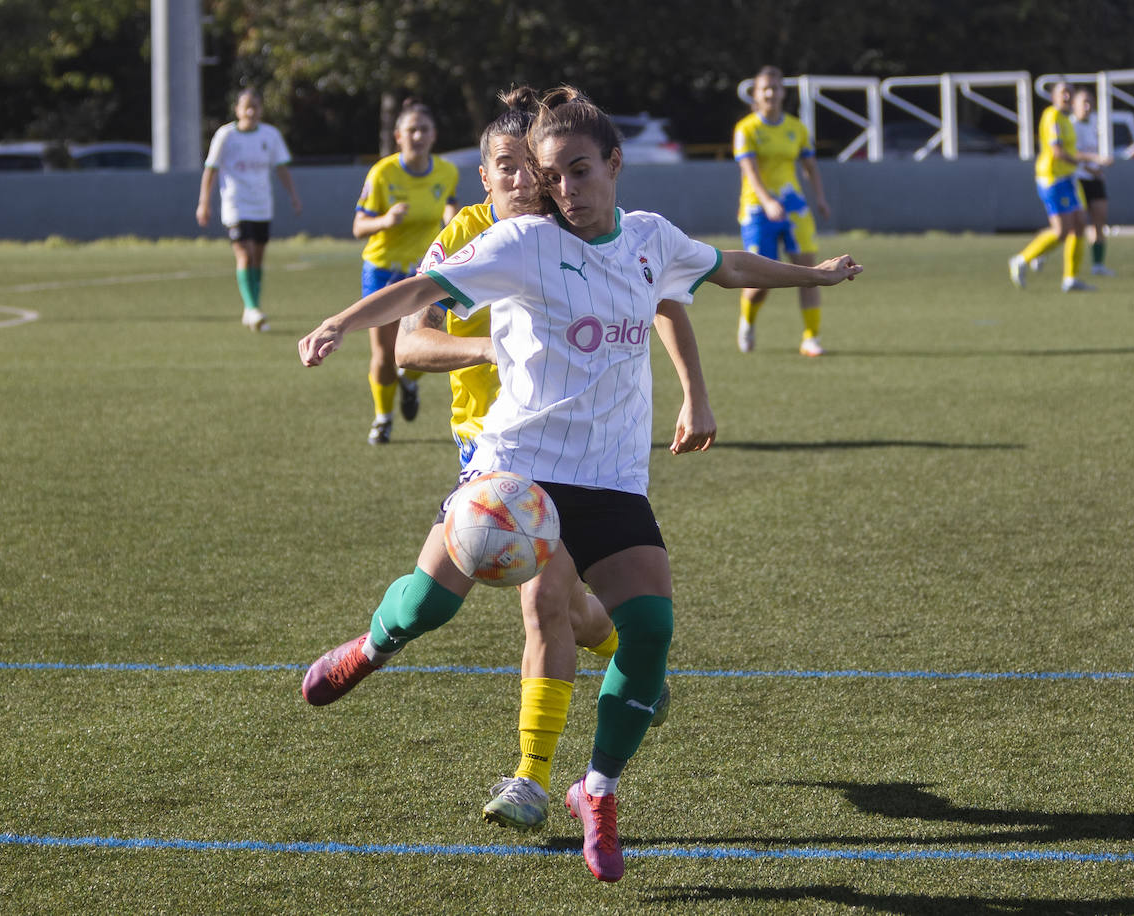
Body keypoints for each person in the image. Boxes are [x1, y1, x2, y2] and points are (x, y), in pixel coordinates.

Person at [297, 86, 862, 883]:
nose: (565, 188)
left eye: (579, 170)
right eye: (552, 174)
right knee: (430, 606)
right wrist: (341, 322)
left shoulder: (652, 239)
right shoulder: (524, 244)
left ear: (614, 165)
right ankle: (370, 646)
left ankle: (594, 790)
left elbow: (728, 266)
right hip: (519, 469)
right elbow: (422, 295)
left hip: (614, 478)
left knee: (652, 630)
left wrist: (818, 273)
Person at [392, 86, 686, 833]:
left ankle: (530, 778)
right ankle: (617, 644)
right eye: (509, 169)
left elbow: (661, 287)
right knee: (558, 607)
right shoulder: (467, 232)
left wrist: (695, 391)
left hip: (578, 456)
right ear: (485, 178)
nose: (530, 184)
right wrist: (495, 345)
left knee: (542, 602)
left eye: (539, 170)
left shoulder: (577, 218)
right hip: (489, 445)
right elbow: (410, 343)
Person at [352, 99, 460, 445]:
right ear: (398, 136)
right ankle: (383, 419)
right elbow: (358, 226)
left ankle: (410, 382)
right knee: (384, 355)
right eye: (411, 130)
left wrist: (453, 218)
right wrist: (385, 220)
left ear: (433, 136)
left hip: (423, 274)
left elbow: (450, 205)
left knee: (420, 348)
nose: (417, 135)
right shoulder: (382, 173)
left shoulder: (446, 171)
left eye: (424, 130)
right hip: (383, 271)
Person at [733, 65, 833, 356]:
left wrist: (821, 198)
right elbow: (749, 170)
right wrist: (767, 202)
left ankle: (811, 337)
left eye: (776, 88)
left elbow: (810, 166)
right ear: (756, 94)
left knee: (809, 271)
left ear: (782, 93)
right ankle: (747, 322)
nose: (771, 93)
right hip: (757, 210)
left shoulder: (797, 128)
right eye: (765, 88)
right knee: (759, 280)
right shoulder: (747, 129)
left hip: (793, 208)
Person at [196, 88, 302, 332]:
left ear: (261, 109)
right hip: (235, 204)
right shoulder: (225, 135)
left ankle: (251, 307)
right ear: (237, 110)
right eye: (246, 107)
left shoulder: (270, 135)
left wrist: (294, 196)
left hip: (262, 205)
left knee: (258, 257)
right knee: (244, 254)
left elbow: (281, 168)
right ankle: (253, 307)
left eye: (255, 106)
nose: (251, 111)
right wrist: (204, 202)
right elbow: (210, 169)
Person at [1008, 80, 1108, 293]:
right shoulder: (1052, 116)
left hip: (1069, 178)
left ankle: (1070, 278)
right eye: (1063, 93)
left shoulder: (1066, 120)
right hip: (1052, 178)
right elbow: (1057, 152)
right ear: (1053, 96)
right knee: (1061, 231)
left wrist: (1087, 164)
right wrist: (1089, 161)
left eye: (1070, 93)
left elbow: (1072, 152)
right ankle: (1022, 259)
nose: (1067, 96)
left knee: (1080, 224)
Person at [1069, 88, 1115, 277]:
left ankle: (1098, 265)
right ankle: (1044, 253)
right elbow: (1072, 155)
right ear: (1074, 105)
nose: (1087, 107)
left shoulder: (1096, 123)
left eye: (1090, 102)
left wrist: (1099, 165)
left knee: (1100, 219)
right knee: (1071, 226)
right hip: (1077, 179)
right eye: (1083, 103)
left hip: (1095, 179)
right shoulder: (1070, 125)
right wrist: (1095, 163)